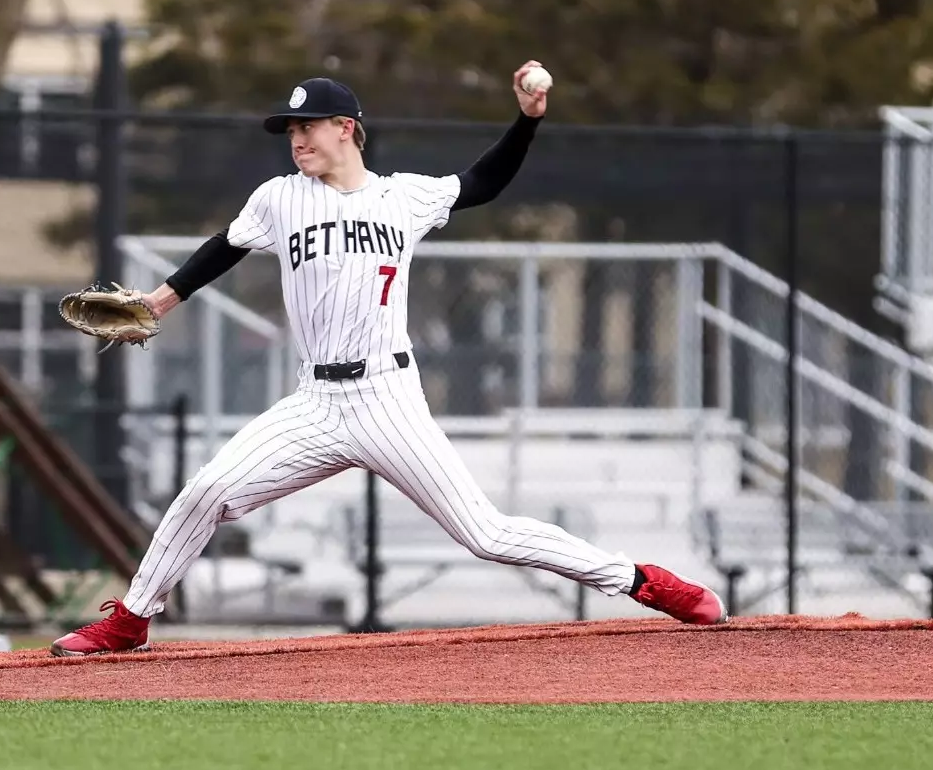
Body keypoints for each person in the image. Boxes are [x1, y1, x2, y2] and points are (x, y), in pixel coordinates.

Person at [51, 61, 727, 656]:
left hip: (387, 400)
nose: (296, 139)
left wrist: (525, 121)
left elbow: (482, 182)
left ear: (345, 127)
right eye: (289, 130)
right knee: (204, 493)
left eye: (306, 126)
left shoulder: (403, 196)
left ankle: (639, 581)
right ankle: (133, 620)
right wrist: (162, 302)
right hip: (313, 404)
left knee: (486, 533)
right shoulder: (280, 197)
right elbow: (223, 247)